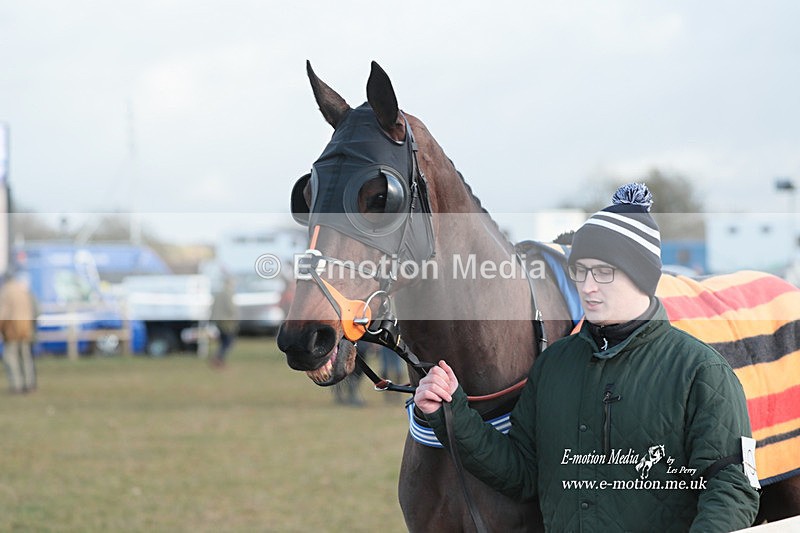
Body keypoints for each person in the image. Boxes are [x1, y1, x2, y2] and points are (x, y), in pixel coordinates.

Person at [414, 184, 760, 531]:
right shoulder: (553, 365)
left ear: (640, 274)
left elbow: (731, 490)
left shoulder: (702, 372)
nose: (588, 286)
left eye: (603, 272)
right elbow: (521, 473)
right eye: (580, 271)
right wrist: (449, 412)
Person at [0, 271, 38, 393]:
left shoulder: (6, 291)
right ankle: (29, 383)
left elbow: (3, 312)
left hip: (12, 327)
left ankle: (16, 385)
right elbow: (35, 308)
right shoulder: (23, 289)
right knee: (26, 357)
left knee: (11, 357)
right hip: (26, 326)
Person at [210, 275, 239, 368]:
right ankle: (218, 358)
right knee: (228, 342)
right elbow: (231, 309)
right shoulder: (228, 293)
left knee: (223, 341)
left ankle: (219, 359)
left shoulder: (218, 294)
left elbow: (213, 308)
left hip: (218, 321)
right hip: (226, 322)